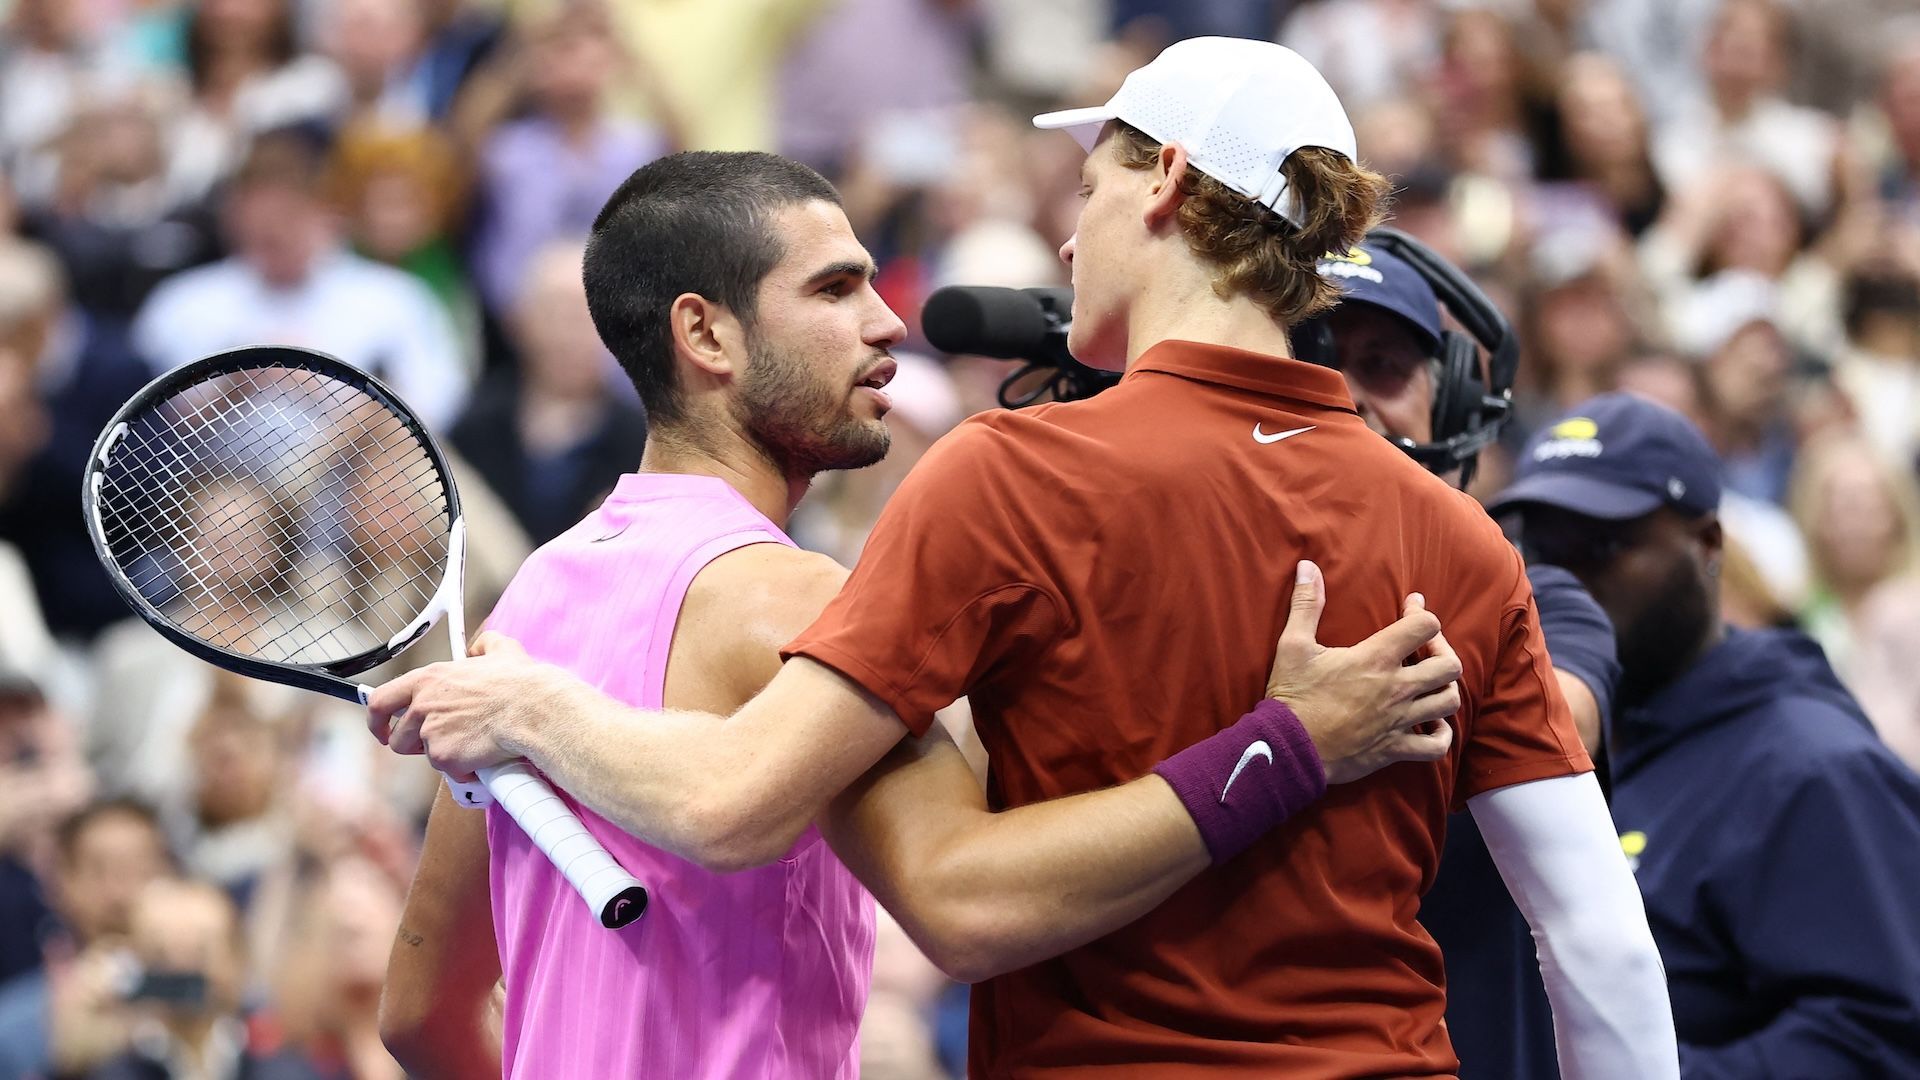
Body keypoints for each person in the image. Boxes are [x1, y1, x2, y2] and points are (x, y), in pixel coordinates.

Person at [371, 39, 1676, 1076]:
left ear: (1165, 181)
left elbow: (820, 846)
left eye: (1092, 186)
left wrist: (535, 704)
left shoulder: (1002, 475)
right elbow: (1601, 946)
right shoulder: (1454, 535)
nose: (1067, 235)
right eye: (835, 290)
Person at [1490, 392, 1920, 1077]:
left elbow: (1881, 1041)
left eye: (1604, 546)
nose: (1564, 585)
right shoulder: (1563, 736)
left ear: (1708, 544)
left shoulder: (1814, 768)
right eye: (1542, 551)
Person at [1301, 238, 1622, 1079]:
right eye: (1314, 356)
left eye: (1383, 364)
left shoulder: (1534, 592)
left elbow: (1564, 725)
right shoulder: (1207, 583)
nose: (1349, 395)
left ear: (1451, 398)